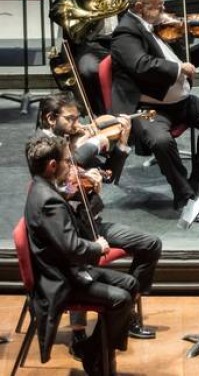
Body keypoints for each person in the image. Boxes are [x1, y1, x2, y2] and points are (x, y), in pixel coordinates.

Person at [35, 94, 160, 341]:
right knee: (84, 259)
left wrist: (121, 143)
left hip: (91, 222)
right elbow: (64, 180)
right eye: (70, 119)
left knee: (151, 244)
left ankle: (125, 312)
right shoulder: (40, 147)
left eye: (77, 118)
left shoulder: (71, 140)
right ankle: (81, 335)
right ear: (50, 119)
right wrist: (95, 143)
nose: (78, 124)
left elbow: (110, 175)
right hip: (67, 232)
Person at [109, 0, 199, 218]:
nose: (163, 9)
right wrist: (178, 68)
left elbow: (181, 59)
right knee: (161, 141)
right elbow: (141, 65)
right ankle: (184, 196)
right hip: (149, 108)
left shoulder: (157, 26)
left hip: (178, 101)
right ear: (140, 7)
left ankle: (197, 183)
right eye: (158, 5)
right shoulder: (125, 33)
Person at [23, 134, 136, 376]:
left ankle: (94, 351)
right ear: (52, 166)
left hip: (64, 269)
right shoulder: (48, 202)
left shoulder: (42, 187)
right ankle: (99, 359)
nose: (71, 165)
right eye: (67, 161)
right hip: (60, 280)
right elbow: (73, 249)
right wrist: (99, 247)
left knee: (131, 284)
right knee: (121, 299)